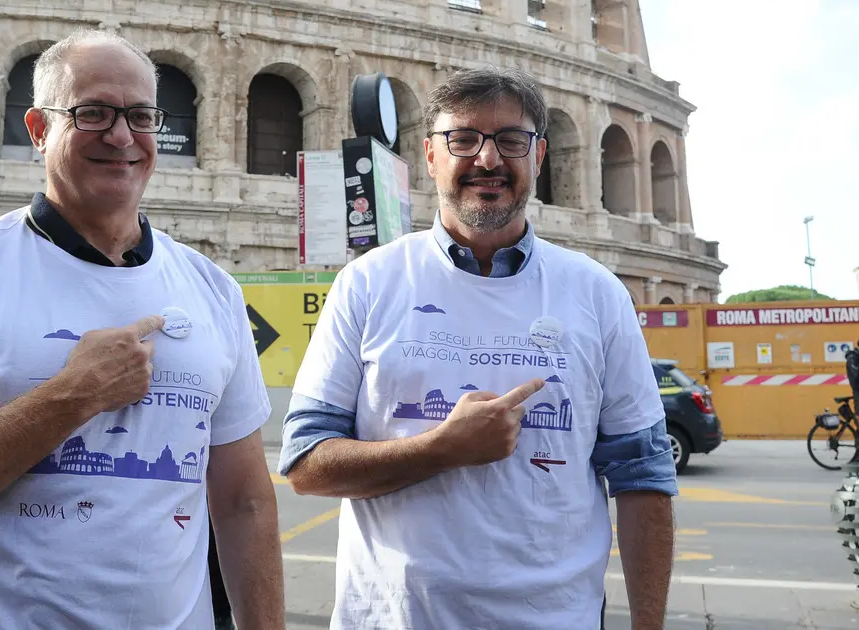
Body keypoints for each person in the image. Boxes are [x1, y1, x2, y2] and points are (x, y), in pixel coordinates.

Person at [0, 30, 284, 629]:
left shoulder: (212, 287)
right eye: (92, 113)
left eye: (140, 116)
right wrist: (70, 397)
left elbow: (243, 502)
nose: (120, 135)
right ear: (38, 129)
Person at [281, 68, 676, 630]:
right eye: (462, 139)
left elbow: (643, 477)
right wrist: (441, 448)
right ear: (430, 155)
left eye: (512, 141)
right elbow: (305, 465)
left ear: (539, 157)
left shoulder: (596, 293)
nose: (488, 160)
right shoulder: (368, 283)